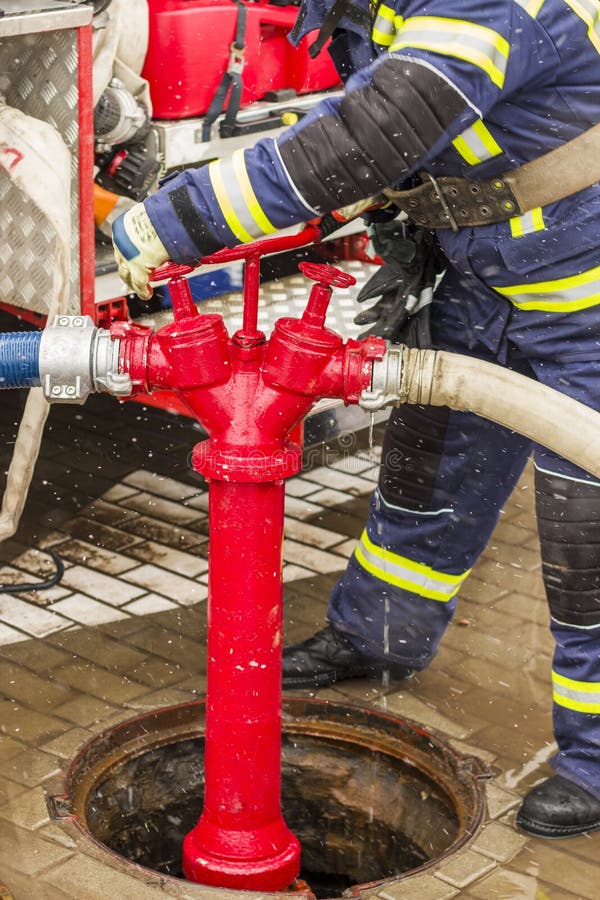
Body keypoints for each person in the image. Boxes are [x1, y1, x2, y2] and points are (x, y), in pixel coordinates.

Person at [113, 0, 600, 839]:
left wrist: (171, 221)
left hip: (585, 301)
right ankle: (379, 637)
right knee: (428, 472)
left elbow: (364, 137)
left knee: (587, 539)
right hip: (482, 274)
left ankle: (595, 761)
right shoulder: (372, 7)